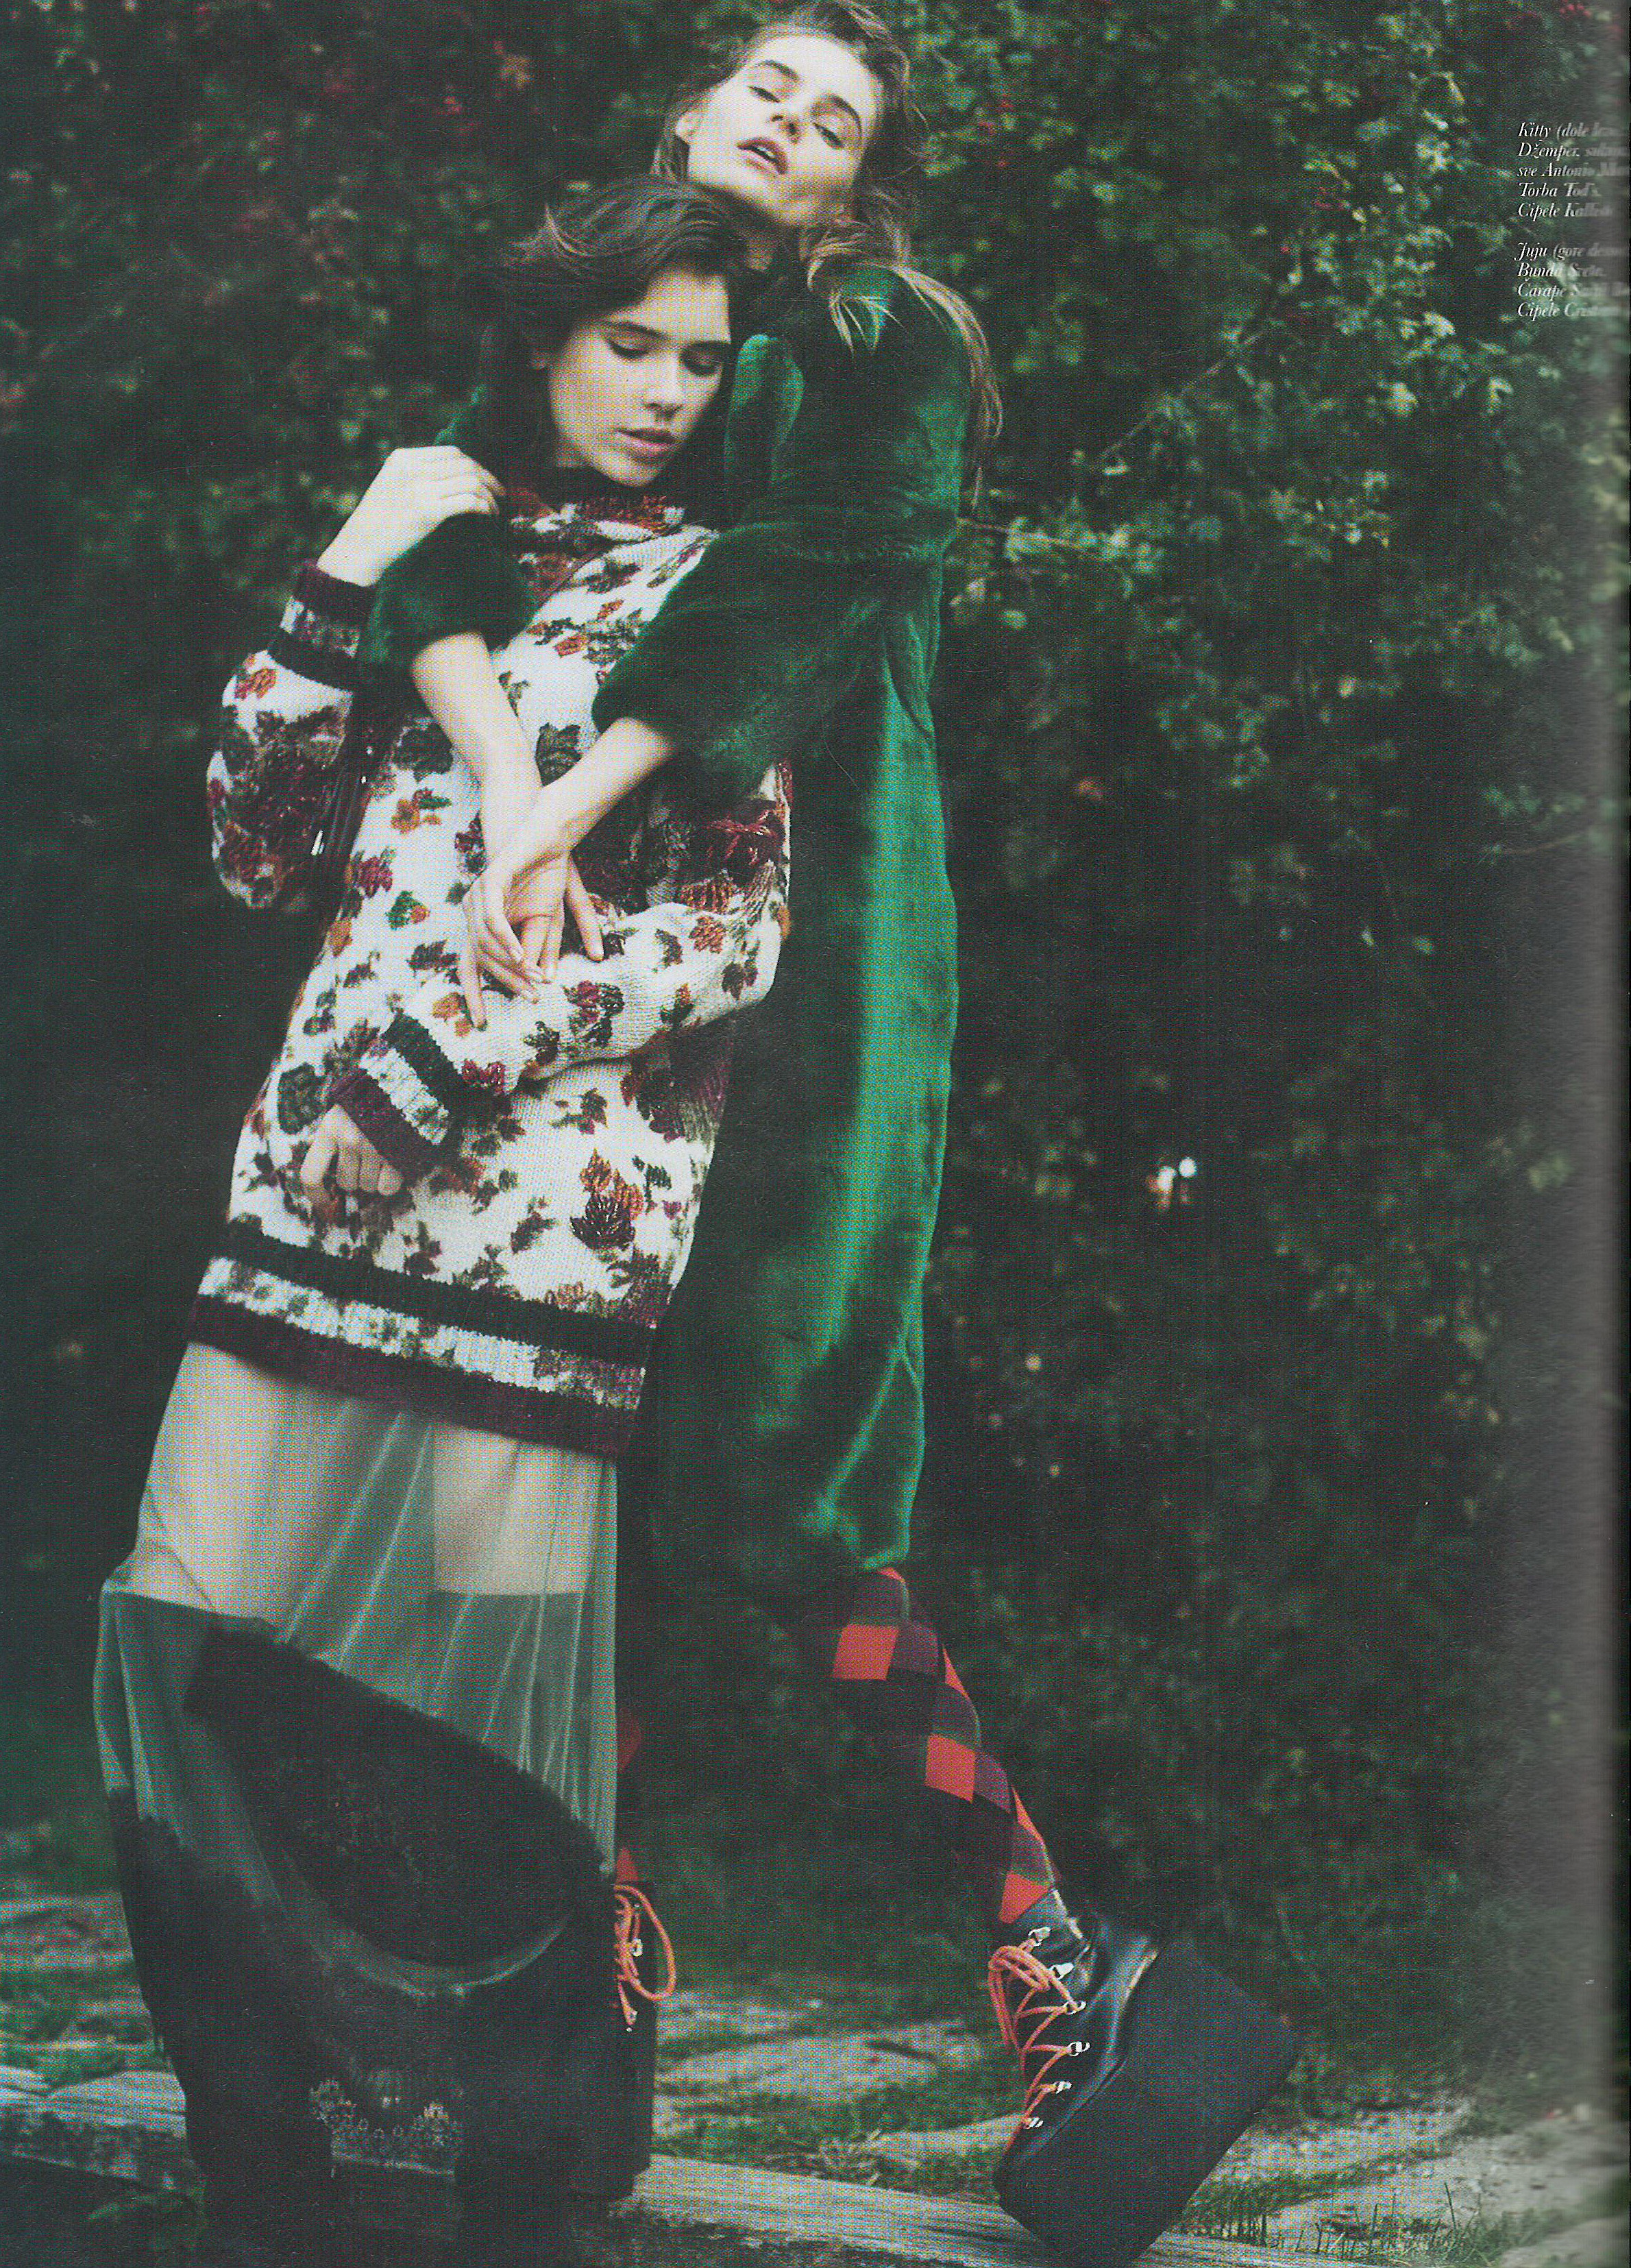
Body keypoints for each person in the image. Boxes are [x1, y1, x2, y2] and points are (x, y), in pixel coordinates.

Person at [445, 9, 1300, 2267]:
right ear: (691, 109)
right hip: (583, 950)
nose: (788, 124)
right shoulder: (621, 321)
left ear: (855, 185)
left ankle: (1060, 1964)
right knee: (582, 1456)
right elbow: (455, 530)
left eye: (832, 121)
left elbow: (804, 586)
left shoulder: (878, 337)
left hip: (819, 958)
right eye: (768, 87)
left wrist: (561, 800)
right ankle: (579, 1990)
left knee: (788, 1460)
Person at [93, 180, 790, 2268]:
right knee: (174, 1627)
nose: (664, 392)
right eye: (630, 344)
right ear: (546, 338)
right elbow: (256, 848)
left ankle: (517, 2186)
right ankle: (260, 2160)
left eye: (700, 360)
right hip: (310, 1198)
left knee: (492, 1706)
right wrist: (348, 559)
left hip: (541, 1225)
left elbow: (726, 931)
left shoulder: (730, 586)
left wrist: (426, 1082)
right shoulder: (436, 547)